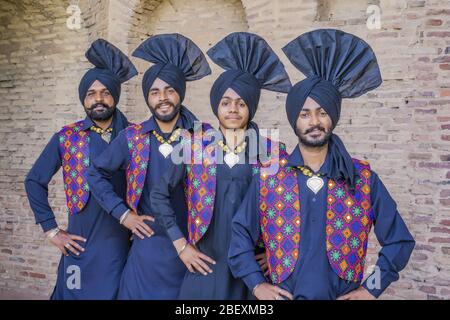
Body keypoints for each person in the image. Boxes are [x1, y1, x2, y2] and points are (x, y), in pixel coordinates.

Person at [228, 29, 416, 300]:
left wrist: (370, 289)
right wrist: (257, 284)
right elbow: (240, 234)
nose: (314, 122)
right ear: (295, 120)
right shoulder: (269, 176)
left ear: (333, 117)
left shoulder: (362, 178)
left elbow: (399, 242)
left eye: (322, 112)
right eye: (305, 114)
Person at [151, 32, 291, 299]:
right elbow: (159, 195)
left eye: (241, 103)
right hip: (206, 262)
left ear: (251, 107)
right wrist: (181, 246)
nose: (233, 109)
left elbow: (288, 205)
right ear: (217, 107)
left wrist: (274, 251)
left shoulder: (272, 151)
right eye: (226, 103)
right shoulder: (193, 146)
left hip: (251, 268)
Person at [86, 33, 211, 299]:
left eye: (170, 90)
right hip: (148, 250)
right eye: (155, 92)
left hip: (194, 247)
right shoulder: (132, 138)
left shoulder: (204, 137)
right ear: (147, 97)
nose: (162, 98)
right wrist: (123, 215)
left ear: (180, 93)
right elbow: (95, 173)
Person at [25, 39, 137, 299]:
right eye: (91, 93)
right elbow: (34, 181)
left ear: (115, 96)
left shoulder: (136, 137)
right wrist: (51, 230)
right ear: (84, 99)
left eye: (105, 92)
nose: (99, 99)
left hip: (122, 246)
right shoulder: (67, 137)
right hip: (80, 244)